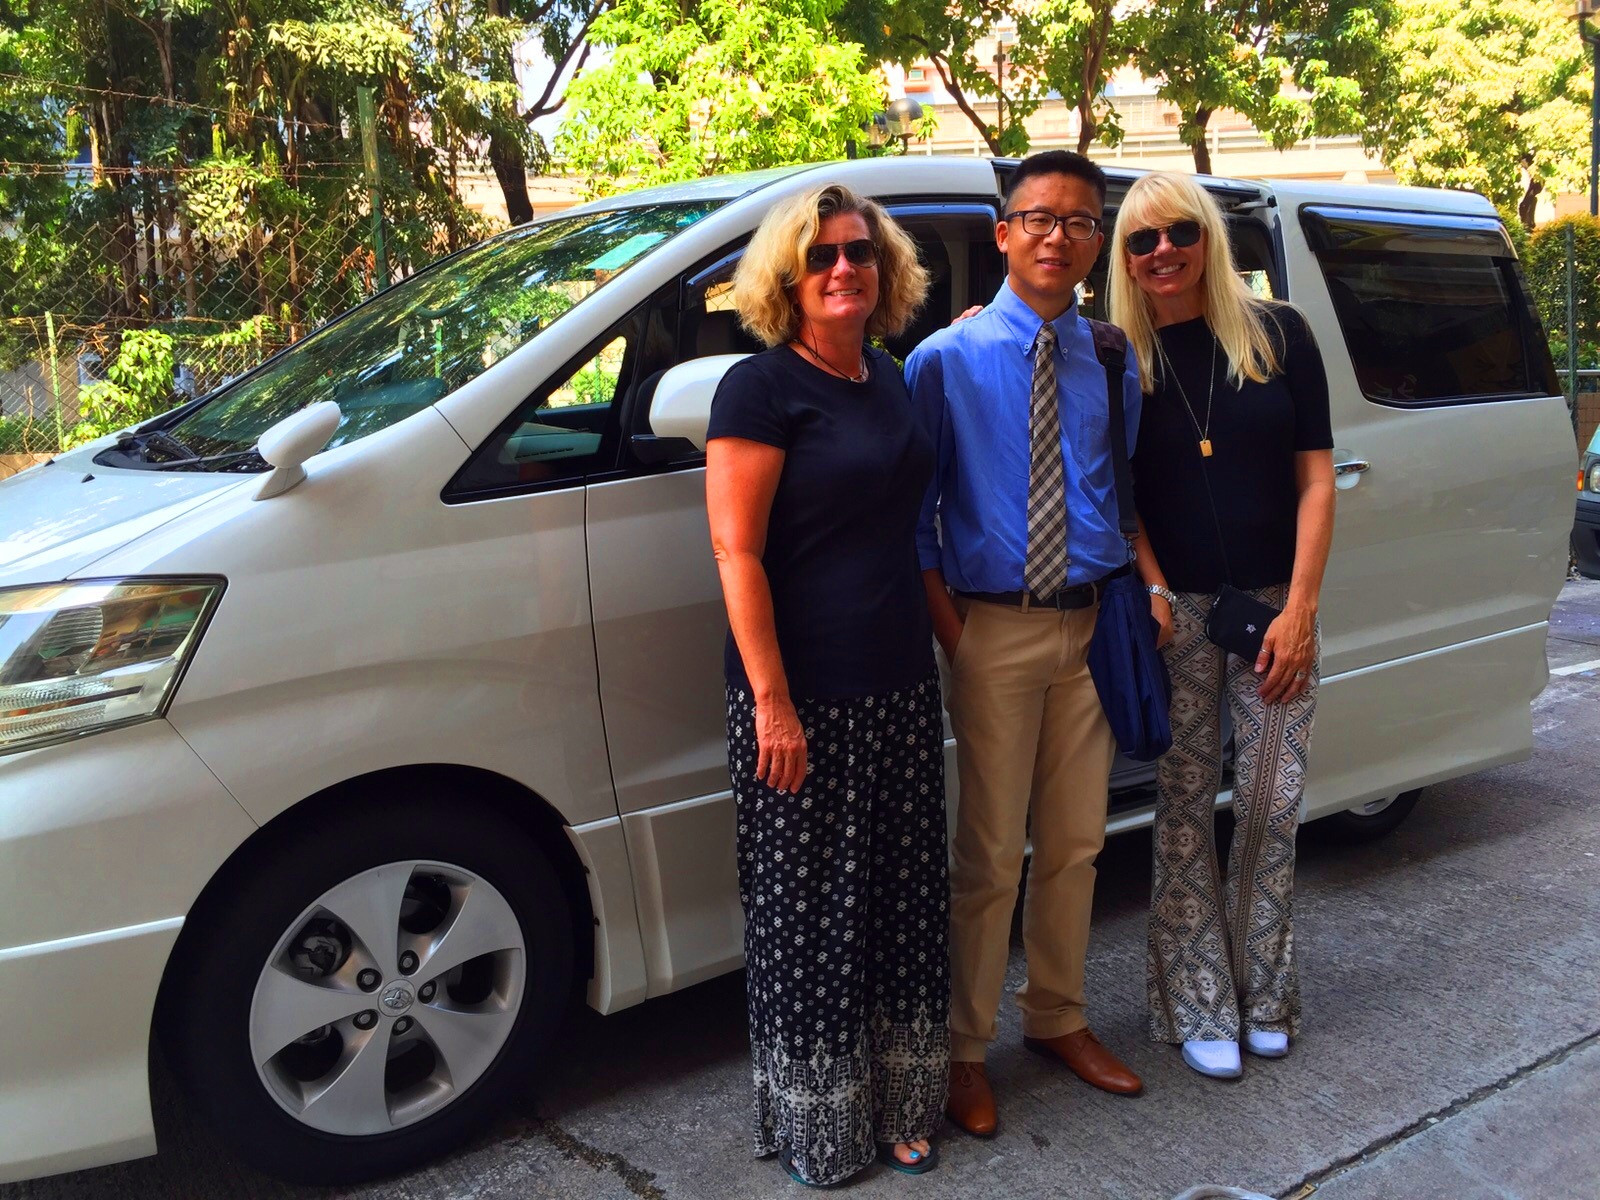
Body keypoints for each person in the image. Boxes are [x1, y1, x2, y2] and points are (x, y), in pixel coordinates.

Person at [704, 183, 949, 1186]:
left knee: (900, 904)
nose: (843, 269)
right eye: (821, 258)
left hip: (897, 681)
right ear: (788, 280)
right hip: (800, 699)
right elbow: (734, 552)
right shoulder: (759, 391)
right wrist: (771, 701)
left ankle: (902, 1104)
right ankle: (820, 1129)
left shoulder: (889, 377)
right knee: (808, 918)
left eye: (859, 253)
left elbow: (906, 524)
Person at [906, 150, 1146, 1140]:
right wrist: (958, 636)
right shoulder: (942, 361)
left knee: (1078, 846)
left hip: (1091, 625)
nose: (1058, 236)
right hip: (991, 629)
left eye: (1079, 221)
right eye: (1037, 219)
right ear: (1003, 233)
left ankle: (1056, 1018)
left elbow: (1121, 487)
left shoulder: (1111, 357)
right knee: (989, 855)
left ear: (1096, 242)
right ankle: (966, 1050)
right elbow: (916, 515)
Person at [1107, 171, 1336, 1080]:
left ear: (1207, 235)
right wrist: (1157, 591)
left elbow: (1316, 477)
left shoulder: (1279, 335)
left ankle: (1267, 990)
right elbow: (1121, 502)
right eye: (1140, 240)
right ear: (1125, 258)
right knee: (1183, 811)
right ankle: (1199, 999)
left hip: (1277, 607)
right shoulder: (1119, 357)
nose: (1162, 251)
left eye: (1178, 232)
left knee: (1276, 805)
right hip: (1181, 618)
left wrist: (1303, 609)